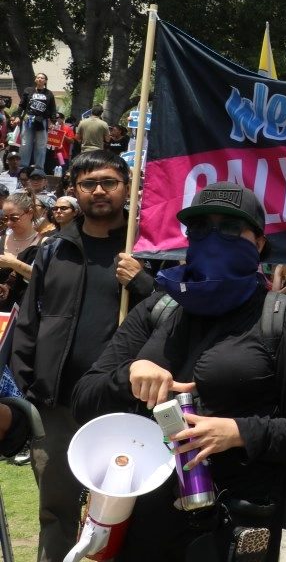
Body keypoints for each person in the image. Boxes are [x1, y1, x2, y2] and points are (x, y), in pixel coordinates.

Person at [72, 182, 286, 561]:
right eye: (200, 228)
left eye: (229, 228)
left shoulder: (285, 321)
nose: (213, 238)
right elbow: (83, 399)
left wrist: (239, 432)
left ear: (258, 242)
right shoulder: (158, 309)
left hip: (236, 527)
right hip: (140, 522)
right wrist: (129, 374)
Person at [9, 150, 157, 562]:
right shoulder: (55, 249)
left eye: (109, 182)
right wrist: (29, 387)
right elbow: (28, 323)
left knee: (123, 514)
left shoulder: (147, 249)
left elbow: (174, 317)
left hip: (123, 408)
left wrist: (144, 282)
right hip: (58, 406)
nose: (99, 191)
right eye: (89, 183)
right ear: (74, 190)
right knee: (55, 511)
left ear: (127, 187)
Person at [17, 73, 55, 169]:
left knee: (41, 145)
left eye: (42, 78)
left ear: (45, 81)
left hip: (41, 120)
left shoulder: (49, 94)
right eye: (38, 77)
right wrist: (17, 116)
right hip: (28, 119)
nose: (40, 79)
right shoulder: (28, 91)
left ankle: (39, 167)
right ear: (35, 80)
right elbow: (21, 105)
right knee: (25, 143)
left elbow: (52, 109)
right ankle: (22, 167)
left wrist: (52, 122)